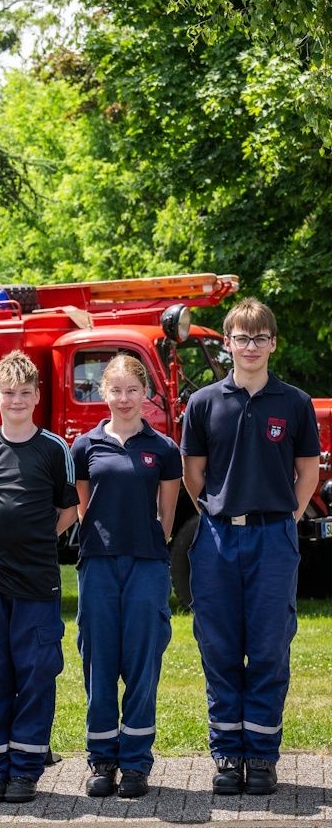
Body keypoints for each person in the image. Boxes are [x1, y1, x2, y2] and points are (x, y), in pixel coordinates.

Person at [181, 298, 319, 796]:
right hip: (218, 537)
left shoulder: (295, 403)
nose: (251, 346)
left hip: (273, 537)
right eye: (242, 337)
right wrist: (218, 513)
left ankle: (260, 756)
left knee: (267, 647)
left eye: (260, 338)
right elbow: (193, 473)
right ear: (228, 342)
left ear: (273, 343)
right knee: (218, 647)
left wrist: (288, 518)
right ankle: (227, 752)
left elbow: (308, 471)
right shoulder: (204, 404)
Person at [0, 349, 78, 805]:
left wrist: (33, 538)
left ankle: (26, 769)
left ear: (36, 396)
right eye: (7, 393)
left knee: (35, 675)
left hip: (38, 582)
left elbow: (68, 510)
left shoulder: (54, 449)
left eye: (24, 393)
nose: (16, 400)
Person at [70, 355, 181, 799]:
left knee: (141, 664)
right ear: (104, 394)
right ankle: (102, 759)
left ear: (145, 393)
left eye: (133, 389)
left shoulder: (164, 449)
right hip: (98, 564)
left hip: (147, 565)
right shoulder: (84, 447)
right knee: (99, 663)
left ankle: (135, 762)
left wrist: (146, 548)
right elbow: (83, 510)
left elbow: (167, 516)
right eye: (115, 390)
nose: (124, 398)